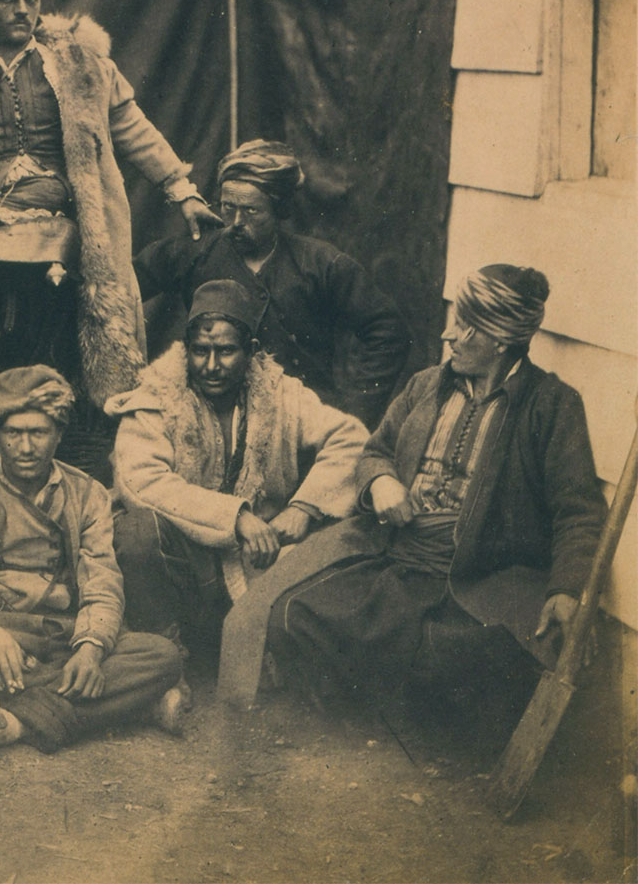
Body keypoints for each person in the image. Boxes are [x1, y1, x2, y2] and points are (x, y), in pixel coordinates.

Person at [0, 0, 220, 475]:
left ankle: (73, 521)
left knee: (68, 392)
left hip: (63, 263)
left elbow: (131, 127)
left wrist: (181, 189)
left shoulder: (75, 62)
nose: (23, 10)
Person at [265, 264, 607, 711]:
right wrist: (382, 480)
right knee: (291, 611)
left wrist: (567, 588)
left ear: (500, 338)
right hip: (396, 554)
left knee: (460, 653)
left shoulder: (551, 405)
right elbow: (375, 451)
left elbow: (578, 511)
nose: (449, 335)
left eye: (464, 326)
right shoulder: (426, 385)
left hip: (481, 572)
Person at [108, 279, 367, 704]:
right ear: (185, 349)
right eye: (200, 351)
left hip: (255, 560)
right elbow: (143, 480)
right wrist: (236, 518)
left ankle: (260, 647)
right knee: (135, 531)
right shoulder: (157, 398)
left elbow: (352, 438)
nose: (211, 366)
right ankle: (165, 663)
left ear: (250, 351)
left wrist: (304, 506)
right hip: (183, 561)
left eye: (226, 351)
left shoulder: (281, 395)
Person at [0, 365, 183, 755]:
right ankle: (134, 707)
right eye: (13, 433)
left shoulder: (87, 493)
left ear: (58, 434)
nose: (25, 448)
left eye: (38, 433)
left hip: (67, 634)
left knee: (162, 656)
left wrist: (91, 648)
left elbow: (103, 583)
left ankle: (14, 722)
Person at [133, 139, 410, 428]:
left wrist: (353, 414)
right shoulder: (195, 252)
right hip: (207, 420)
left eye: (252, 211)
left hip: (296, 423)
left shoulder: (321, 264)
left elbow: (388, 331)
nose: (236, 222)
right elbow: (120, 289)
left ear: (280, 211)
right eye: (228, 208)